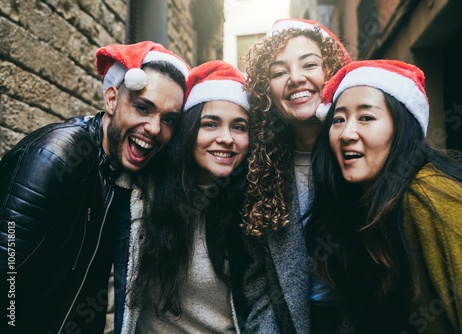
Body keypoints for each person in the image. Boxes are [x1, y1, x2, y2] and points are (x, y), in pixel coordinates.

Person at [0, 41, 190, 334]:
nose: (154, 128)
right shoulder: (54, 160)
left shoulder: (128, 175)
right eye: (142, 108)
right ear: (112, 99)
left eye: (168, 119)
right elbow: (6, 270)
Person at [306, 59, 462, 333]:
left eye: (366, 117)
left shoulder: (431, 195)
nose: (347, 133)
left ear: (402, 129)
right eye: (338, 120)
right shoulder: (364, 205)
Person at [116, 60, 252, 333]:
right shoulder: (143, 190)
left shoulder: (254, 205)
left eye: (238, 127)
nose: (226, 138)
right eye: (210, 124)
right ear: (188, 132)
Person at [240, 18, 351, 333]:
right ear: (267, 94)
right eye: (278, 72)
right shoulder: (258, 169)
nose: (295, 79)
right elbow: (258, 283)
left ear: (331, 73)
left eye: (310, 65)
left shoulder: (364, 153)